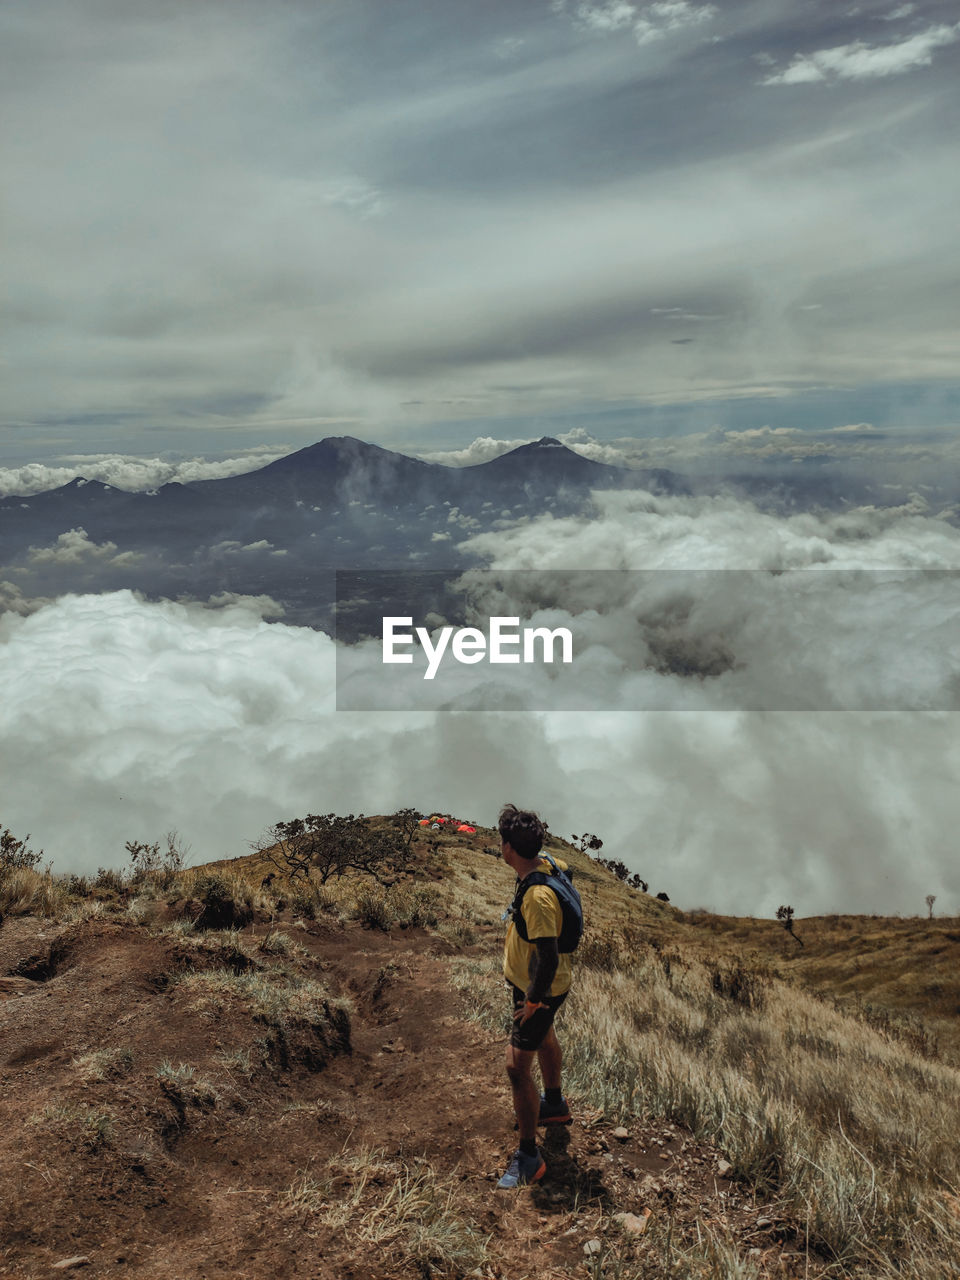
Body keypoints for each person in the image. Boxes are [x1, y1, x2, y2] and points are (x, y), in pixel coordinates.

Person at [496, 802, 573, 1190]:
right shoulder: (543, 862)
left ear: (509, 847)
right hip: (545, 987)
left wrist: (532, 1001)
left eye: (502, 839)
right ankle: (554, 1106)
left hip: (539, 989)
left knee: (516, 1067)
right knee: (545, 1037)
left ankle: (529, 1156)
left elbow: (548, 954)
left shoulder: (537, 897)